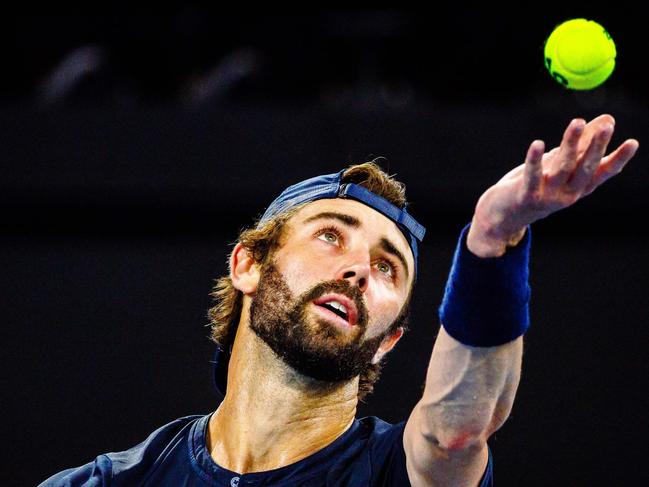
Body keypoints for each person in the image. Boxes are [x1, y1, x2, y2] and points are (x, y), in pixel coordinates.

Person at [40, 114, 638, 486]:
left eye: (387, 268)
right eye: (330, 235)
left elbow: (456, 433)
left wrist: (491, 242)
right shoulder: (109, 483)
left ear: (388, 341)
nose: (357, 269)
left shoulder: (397, 473)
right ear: (248, 264)